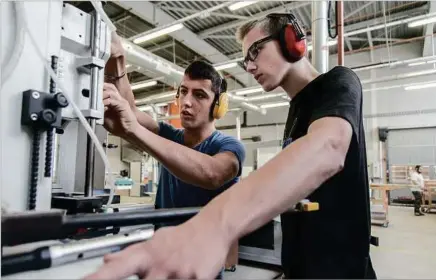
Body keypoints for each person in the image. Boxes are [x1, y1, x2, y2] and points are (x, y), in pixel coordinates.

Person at [86, 13, 376, 280]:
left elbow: (329, 147)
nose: (249, 66)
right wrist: (118, 60)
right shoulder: (298, 111)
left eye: (255, 52)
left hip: (343, 270)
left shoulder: (338, 81)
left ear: (292, 41)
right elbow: (130, 117)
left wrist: (213, 227)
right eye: (245, 59)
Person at [100, 33, 246, 279]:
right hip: (162, 257)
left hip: (200, 266)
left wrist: (134, 131)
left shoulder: (229, 146)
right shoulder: (170, 135)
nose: (186, 102)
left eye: (199, 95)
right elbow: (132, 112)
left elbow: (212, 174)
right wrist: (118, 59)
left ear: (218, 106)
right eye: (183, 92)